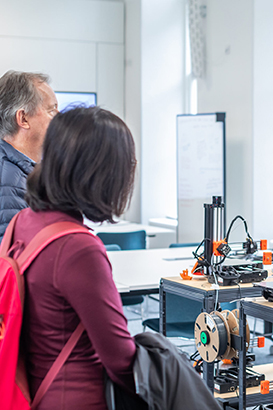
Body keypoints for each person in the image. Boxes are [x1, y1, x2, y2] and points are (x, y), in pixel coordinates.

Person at [14, 106, 140, 410]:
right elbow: (121, 358)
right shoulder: (78, 248)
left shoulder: (23, 222)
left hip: (29, 390)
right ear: (102, 174)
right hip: (75, 398)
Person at [0, 70, 58, 240]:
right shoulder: (10, 182)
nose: (59, 117)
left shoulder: (22, 171)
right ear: (23, 118)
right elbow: (13, 259)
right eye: (51, 110)